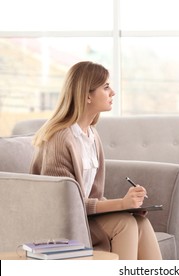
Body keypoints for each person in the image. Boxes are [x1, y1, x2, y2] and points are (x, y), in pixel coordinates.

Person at [30, 61, 162, 260]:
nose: (113, 93)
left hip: (84, 217)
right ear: (87, 95)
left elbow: (93, 197)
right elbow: (63, 205)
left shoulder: (92, 135)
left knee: (140, 222)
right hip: (65, 221)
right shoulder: (59, 139)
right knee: (124, 224)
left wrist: (128, 206)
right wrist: (120, 204)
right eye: (106, 87)